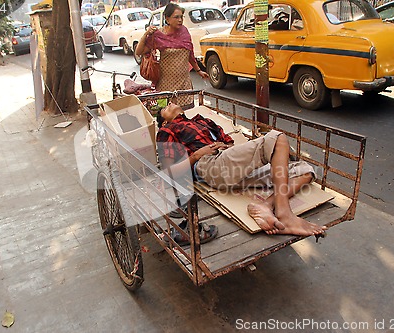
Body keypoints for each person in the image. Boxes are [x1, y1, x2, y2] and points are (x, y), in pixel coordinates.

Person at [156, 103, 327, 236]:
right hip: (208, 165)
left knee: (305, 171)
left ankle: (265, 205)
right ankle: (284, 214)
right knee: (277, 137)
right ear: (164, 120)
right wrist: (195, 156)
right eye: (165, 107)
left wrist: (225, 145)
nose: (170, 103)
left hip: (230, 162)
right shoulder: (167, 130)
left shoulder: (202, 120)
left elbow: (230, 142)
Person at [135, 3, 209, 110]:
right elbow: (139, 51)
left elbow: (190, 55)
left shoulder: (185, 33)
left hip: (185, 84)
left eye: (181, 17)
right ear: (167, 18)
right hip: (166, 85)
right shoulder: (159, 35)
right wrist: (145, 34)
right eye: (176, 17)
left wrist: (198, 71)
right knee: (167, 117)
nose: (180, 20)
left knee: (186, 118)